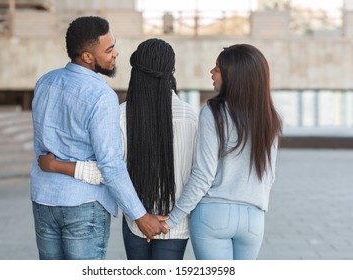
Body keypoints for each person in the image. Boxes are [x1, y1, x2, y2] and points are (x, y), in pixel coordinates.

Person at [38, 38, 198, 260]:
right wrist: (172, 219)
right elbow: (197, 178)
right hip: (174, 227)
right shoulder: (190, 117)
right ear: (171, 71)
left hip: (135, 224)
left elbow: (110, 171)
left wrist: (57, 165)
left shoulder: (121, 115)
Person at [164, 44, 283, 260]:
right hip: (253, 219)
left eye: (217, 68)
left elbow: (203, 175)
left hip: (213, 215)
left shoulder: (213, 112)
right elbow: (269, 175)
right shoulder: (270, 118)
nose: (211, 72)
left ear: (233, 75)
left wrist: (173, 218)